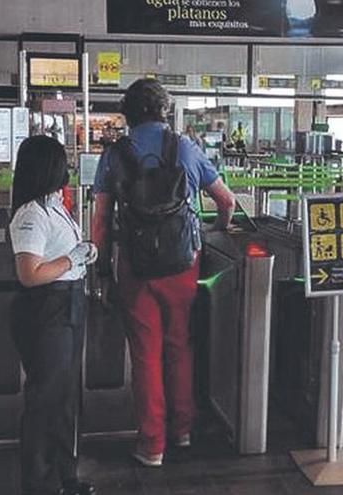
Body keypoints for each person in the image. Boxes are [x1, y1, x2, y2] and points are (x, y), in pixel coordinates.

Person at [92, 79, 235, 467]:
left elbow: (101, 219)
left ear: (128, 112)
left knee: (145, 354)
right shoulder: (186, 148)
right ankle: (183, 430)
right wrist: (217, 229)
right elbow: (226, 199)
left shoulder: (115, 155)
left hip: (135, 267)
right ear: (164, 111)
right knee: (179, 344)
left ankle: (151, 444)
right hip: (183, 262)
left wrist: (102, 271)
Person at [9, 135, 98, 495]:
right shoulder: (31, 214)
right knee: (46, 398)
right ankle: (38, 483)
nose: (69, 168)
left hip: (69, 302)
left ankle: (65, 476)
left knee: (64, 397)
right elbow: (29, 274)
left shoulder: (54, 206)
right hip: (47, 308)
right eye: (63, 162)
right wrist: (73, 259)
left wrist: (81, 254)